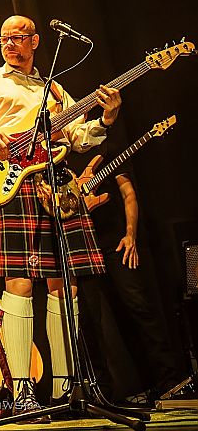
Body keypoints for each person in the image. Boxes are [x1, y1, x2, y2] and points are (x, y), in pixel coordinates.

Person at [0, 14, 122, 420]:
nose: (10, 44)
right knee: (19, 282)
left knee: (65, 285)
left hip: (54, 185)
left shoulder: (55, 90)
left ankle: (64, 388)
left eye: (18, 37)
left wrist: (105, 120)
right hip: (11, 185)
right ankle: (22, 389)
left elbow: (79, 138)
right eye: (4, 38)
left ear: (35, 41)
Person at [69, 136, 182, 404]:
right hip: (80, 244)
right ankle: (102, 392)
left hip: (114, 241)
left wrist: (130, 234)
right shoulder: (60, 155)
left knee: (138, 306)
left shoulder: (107, 148)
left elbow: (128, 194)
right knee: (88, 320)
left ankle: (169, 381)